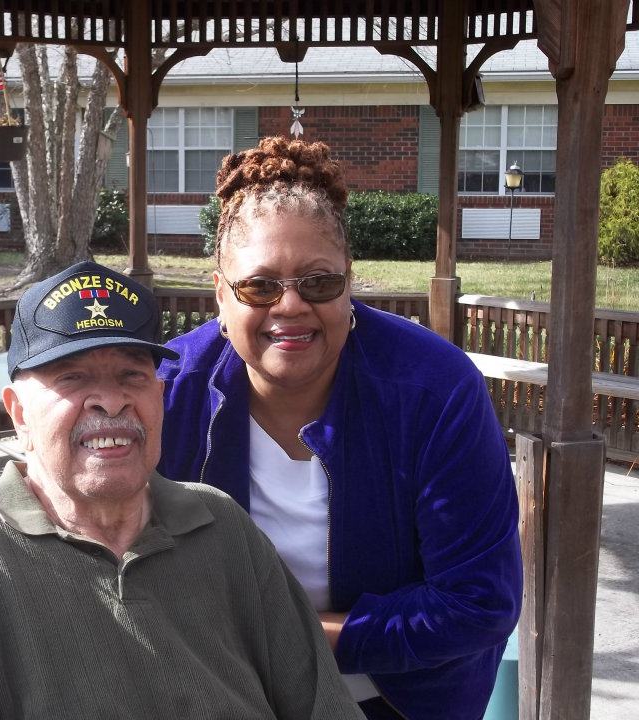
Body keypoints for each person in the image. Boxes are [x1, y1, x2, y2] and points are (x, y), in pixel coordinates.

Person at [0, 261, 365, 719]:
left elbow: (322, 705)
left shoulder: (221, 525)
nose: (111, 400)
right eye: (72, 377)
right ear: (18, 414)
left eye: (132, 375)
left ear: (159, 398)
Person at [156, 137, 523, 719]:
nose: (291, 306)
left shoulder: (435, 390)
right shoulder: (168, 392)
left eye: (319, 282)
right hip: (218, 698)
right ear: (221, 293)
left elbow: (480, 603)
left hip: (397, 702)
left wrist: (286, 635)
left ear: (350, 282)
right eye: (260, 286)